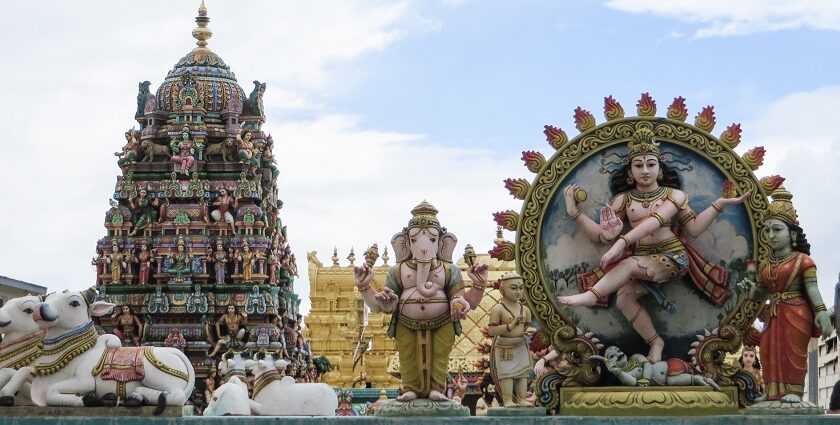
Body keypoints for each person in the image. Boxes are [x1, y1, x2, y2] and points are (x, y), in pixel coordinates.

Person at [557, 128, 749, 362]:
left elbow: (688, 227)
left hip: (672, 258)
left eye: (650, 164)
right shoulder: (623, 199)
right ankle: (655, 342)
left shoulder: (674, 196)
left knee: (627, 264)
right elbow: (601, 235)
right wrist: (575, 213)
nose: (645, 170)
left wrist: (719, 204)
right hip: (641, 259)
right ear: (630, 172)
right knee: (624, 299)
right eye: (638, 165)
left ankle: (592, 294)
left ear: (660, 168)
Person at [741, 187, 831, 402]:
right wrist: (749, 290)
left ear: (791, 234)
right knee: (769, 352)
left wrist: (821, 312)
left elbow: (812, 289)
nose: (771, 235)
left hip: (796, 312)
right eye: (768, 230)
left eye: (777, 229)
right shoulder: (765, 265)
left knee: (792, 354)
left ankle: (794, 392)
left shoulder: (803, 261)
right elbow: (760, 295)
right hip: (773, 314)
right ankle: (772, 393)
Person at [487, 272, 535, 407]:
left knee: (523, 374)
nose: (518, 292)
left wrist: (529, 332)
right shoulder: (498, 309)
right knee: (507, 374)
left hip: (520, 344)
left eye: (520, 288)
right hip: (504, 345)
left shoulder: (525, 309)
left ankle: (522, 399)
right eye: (513, 288)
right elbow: (492, 330)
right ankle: (508, 400)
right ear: (502, 290)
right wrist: (510, 326)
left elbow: (526, 326)